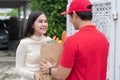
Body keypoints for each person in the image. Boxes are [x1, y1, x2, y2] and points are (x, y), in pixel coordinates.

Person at [40, 0, 109, 80]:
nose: (70, 20)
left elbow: (61, 75)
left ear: (75, 15)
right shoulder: (103, 39)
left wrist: (49, 69)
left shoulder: (72, 41)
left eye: (69, 16)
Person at [15, 11, 52, 80]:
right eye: (40, 22)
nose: (44, 24)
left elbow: (54, 61)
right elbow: (18, 69)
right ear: (32, 25)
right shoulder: (24, 43)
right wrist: (33, 75)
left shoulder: (49, 41)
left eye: (45, 21)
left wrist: (51, 67)